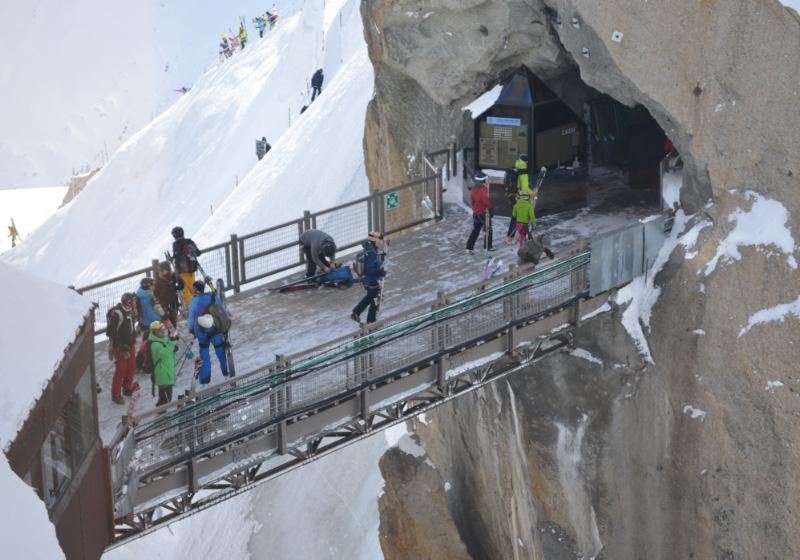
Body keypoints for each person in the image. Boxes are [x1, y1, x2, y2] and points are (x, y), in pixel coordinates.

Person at [188, 282, 230, 384]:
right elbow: (223, 312)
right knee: (221, 352)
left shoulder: (194, 303)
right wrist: (226, 325)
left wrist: (192, 330)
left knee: (204, 356)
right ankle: (227, 373)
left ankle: (205, 381)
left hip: (202, 333)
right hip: (216, 331)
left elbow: (191, 319)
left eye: (193, 288)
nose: (192, 290)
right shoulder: (213, 298)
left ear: (197, 290)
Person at [108, 293, 140, 404]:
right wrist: (121, 345)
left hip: (129, 344)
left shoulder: (131, 311)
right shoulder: (117, 314)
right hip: (120, 347)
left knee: (131, 366)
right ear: (128, 303)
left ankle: (127, 388)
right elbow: (111, 332)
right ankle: (115, 394)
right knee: (121, 370)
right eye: (134, 301)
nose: (135, 303)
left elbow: (130, 327)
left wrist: (133, 336)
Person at [350, 232, 385, 325]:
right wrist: (378, 273)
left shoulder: (368, 249)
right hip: (372, 281)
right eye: (378, 241)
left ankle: (355, 313)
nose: (379, 243)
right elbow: (369, 268)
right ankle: (371, 322)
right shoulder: (372, 253)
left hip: (368, 281)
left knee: (369, 297)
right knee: (375, 301)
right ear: (374, 241)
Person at [148, 321, 178, 406]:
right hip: (163, 375)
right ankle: (161, 412)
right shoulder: (155, 345)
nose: (163, 333)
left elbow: (168, 352)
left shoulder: (162, 340)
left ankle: (161, 411)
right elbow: (164, 353)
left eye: (164, 330)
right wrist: (172, 342)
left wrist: (173, 349)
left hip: (167, 372)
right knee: (165, 400)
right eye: (161, 331)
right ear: (155, 332)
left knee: (166, 398)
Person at [171, 226, 202, 307]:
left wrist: (173, 262)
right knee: (193, 290)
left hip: (183, 272)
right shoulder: (189, 241)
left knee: (186, 292)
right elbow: (198, 253)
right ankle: (197, 306)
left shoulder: (176, 244)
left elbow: (177, 257)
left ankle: (190, 308)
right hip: (192, 270)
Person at [465, 172, 494, 254]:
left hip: (476, 213)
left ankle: (469, 248)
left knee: (475, 230)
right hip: (484, 213)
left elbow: (472, 201)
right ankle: (487, 246)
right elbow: (485, 201)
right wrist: (491, 207)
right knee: (488, 229)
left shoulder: (474, 189)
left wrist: (475, 208)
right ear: (484, 180)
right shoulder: (484, 189)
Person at [153, 261, 184, 326]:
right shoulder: (158, 280)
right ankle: (167, 330)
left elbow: (181, 283)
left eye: (162, 270)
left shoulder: (173, 276)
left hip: (173, 301)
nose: (160, 272)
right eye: (159, 270)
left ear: (167, 270)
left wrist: (177, 287)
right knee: (166, 321)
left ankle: (174, 331)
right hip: (164, 303)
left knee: (174, 319)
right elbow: (155, 292)